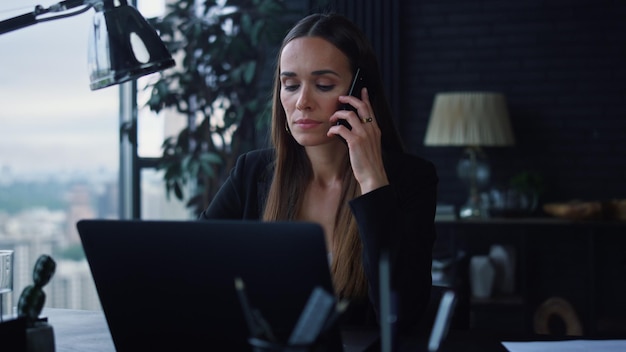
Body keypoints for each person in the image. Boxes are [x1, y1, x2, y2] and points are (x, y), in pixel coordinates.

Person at [200, 12, 438, 334]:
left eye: (323, 85)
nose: (302, 102)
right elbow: (195, 270)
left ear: (359, 93)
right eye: (290, 85)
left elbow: (401, 314)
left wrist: (373, 183)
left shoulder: (411, 180)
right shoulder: (251, 172)